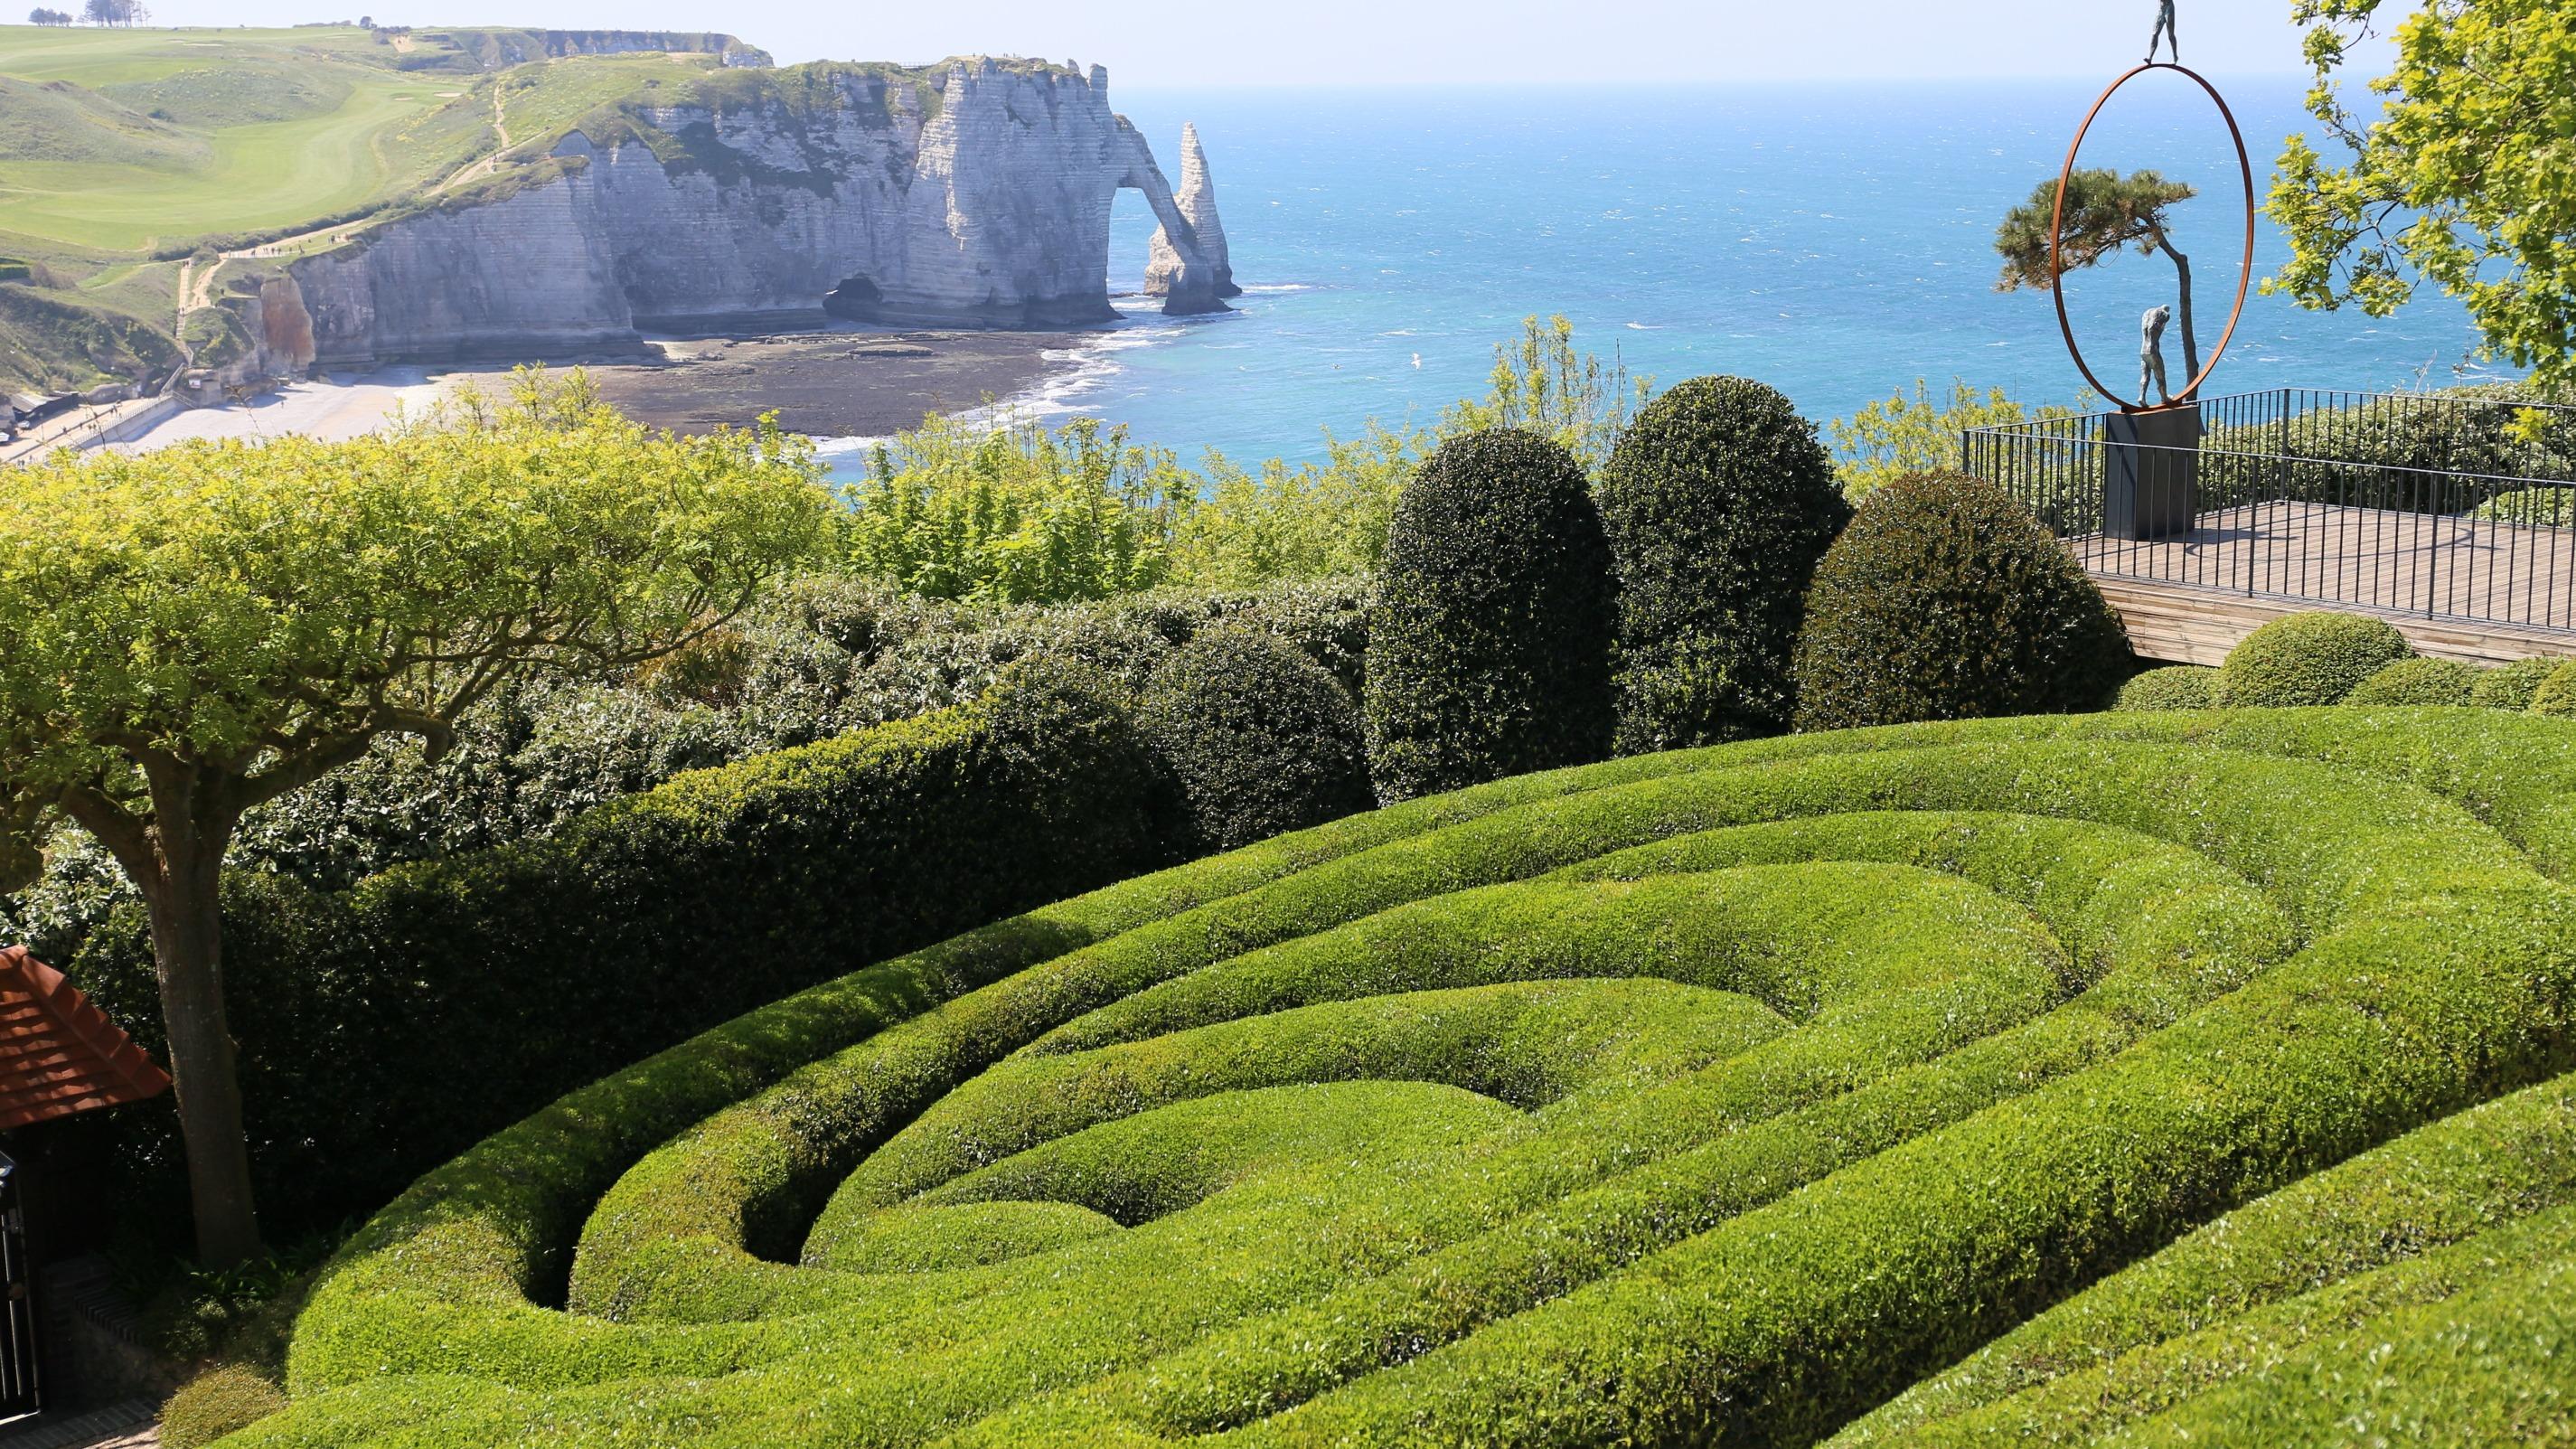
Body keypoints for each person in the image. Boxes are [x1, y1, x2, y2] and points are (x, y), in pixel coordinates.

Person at [2140, 304, 2173, 405]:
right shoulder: (2161, 318)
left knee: (2145, 375)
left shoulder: (2147, 315)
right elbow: (2166, 317)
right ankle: (2164, 397)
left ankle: (2142, 397)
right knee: (2160, 376)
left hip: (2143, 350)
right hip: (2153, 350)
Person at [2146, 0, 2178, 64]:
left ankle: (2175, 57)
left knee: (2170, 35)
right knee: (2154, 34)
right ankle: (2150, 58)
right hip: (2161, 9)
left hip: (2169, 8)